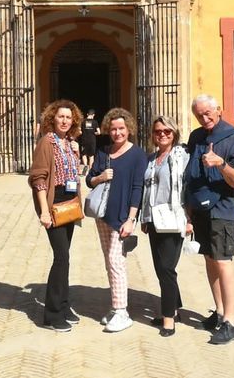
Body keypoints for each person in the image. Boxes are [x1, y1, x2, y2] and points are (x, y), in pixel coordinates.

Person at [185, 94, 234, 345]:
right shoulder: (196, 137)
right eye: (199, 115)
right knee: (210, 260)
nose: (204, 118)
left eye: (208, 113)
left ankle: (232, 321)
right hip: (200, 206)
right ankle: (220, 311)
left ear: (218, 110)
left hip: (223, 209)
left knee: (223, 262)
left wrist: (221, 164)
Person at [85, 107, 147, 333]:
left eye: (121, 128)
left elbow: (137, 188)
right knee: (109, 260)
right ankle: (115, 306)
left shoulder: (138, 154)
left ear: (128, 129)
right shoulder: (103, 152)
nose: (117, 133)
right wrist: (100, 177)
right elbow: (89, 179)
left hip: (122, 216)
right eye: (113, 129)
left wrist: (131, 219)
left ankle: (122, 311)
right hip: (102, 214)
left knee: (116, 260)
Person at [28, 99, 84, 332]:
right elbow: (38, 179)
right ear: (52, 118)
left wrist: (77, 155)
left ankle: (63, 304)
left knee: (65, 256)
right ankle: (51, 314)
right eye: (60, 116)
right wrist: (43, 211)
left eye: (68, 117)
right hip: (54, 204)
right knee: (61, 257)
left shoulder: (69, 142)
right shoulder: (46, 143)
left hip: (69, 203)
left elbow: (74, 173)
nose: (64, 120)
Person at [140, 115, 191, 337]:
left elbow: (189, 188)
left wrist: (190, 219)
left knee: (167, 269)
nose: (162, 134)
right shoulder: (151, 159)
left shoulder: (181, 156)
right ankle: (175, 308)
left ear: (174, 134)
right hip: (153, 219)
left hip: (174, 218)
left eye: (167, 131)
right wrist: (144, 217)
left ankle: (168, 319)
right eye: (158, 131)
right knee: (162, 269)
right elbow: (147, 189)